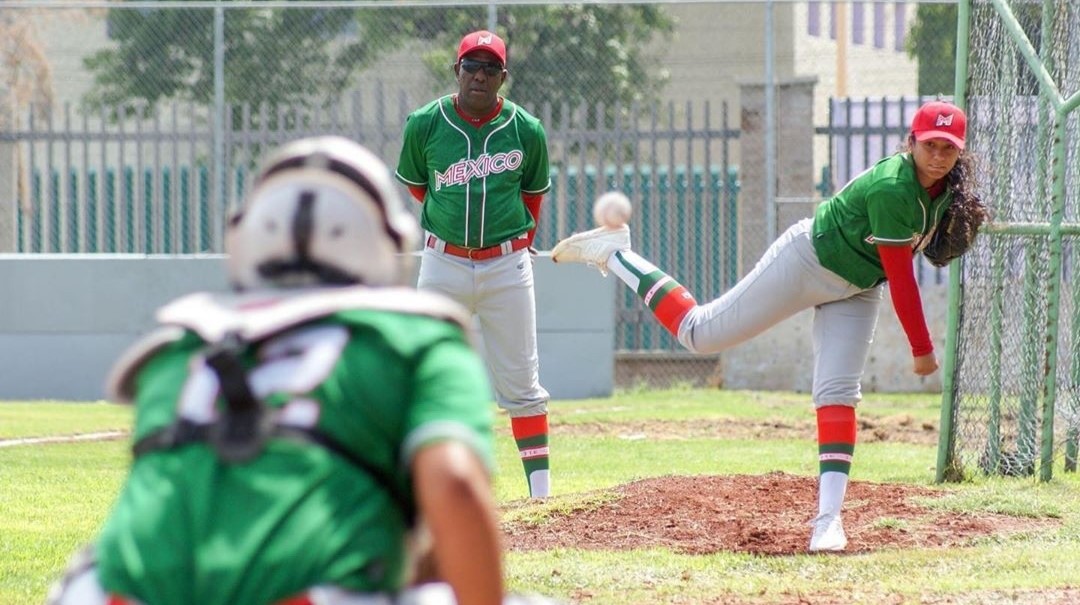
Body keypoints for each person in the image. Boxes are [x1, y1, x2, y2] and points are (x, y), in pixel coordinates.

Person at [45, 136, 539, 605]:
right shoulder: (414, 340)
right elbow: (453, 483)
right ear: (387, 242)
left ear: (244, 236)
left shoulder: (181, 346)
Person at [551, 100, 981, 552]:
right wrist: (921, 348)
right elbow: (902, 279)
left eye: (948, 148)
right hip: (807, 262)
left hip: (858, 286)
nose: (938, 156)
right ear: (911, 142)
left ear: (960, 151)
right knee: (699, 334)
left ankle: (828, 522)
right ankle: (617, 252)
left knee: (838, 392)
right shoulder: (893, 187)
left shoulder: (946, 189)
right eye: (929, 145)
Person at [395, 30, 553, 499]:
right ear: (456, 71)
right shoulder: (425, 123)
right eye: (471, 66)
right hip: (443, 264)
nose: (479, 76)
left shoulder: (526, 129)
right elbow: (420, 187)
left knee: (522, 383)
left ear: (503, 77)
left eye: (489, 69)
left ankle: (541, 497)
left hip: (507, 266)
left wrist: (518, 244)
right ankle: (422, 494)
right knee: (427, 374)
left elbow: (532, 196)